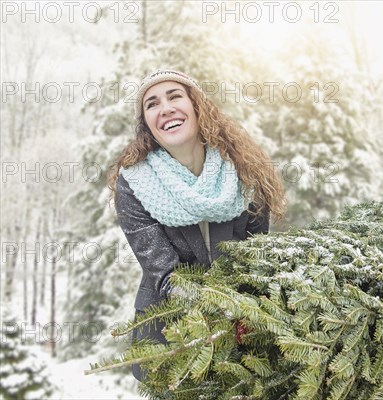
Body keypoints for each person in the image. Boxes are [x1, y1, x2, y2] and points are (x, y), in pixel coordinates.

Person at [107, 69, 286, 381]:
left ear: (196, 105)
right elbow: (164, 275)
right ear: (146, 124)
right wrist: (224, 307)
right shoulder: (134, 184)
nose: (165, 108)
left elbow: (255, 258)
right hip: (169, 338)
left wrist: (249, 311)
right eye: (152, 104)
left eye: (175, 96)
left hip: (242, 336)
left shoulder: (244, 171)